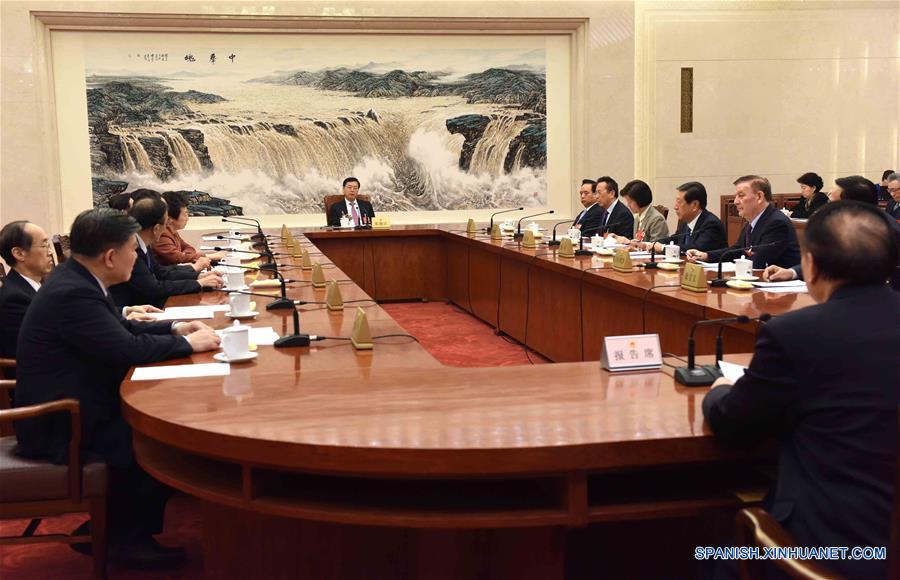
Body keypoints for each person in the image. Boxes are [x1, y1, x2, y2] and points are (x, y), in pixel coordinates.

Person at [14, 208, 221, 569]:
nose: (137, 258)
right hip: (60, 422)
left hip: (79, 402)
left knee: (162, 418)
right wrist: (189, 345)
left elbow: (119, 331)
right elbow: (126, 349)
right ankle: (125, 540)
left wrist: (176, 329)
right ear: (111, 257)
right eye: (132, 251)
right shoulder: (74, 292)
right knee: (158, 438)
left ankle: (116, 528)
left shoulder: (77, 278)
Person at [703, 201, 899, 579]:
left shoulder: (794, 334)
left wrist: (720, 389)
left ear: (810, 266)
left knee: (709, 556)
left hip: (831, 550)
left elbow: (734, 424)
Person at [765, 175, 900, 283]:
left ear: (850, 205)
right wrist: (792, 272)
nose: (826, 208)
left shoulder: (884, 231)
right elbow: (824, 258)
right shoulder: (846, 224)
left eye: (831, 202)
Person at [109, 197, 222, 309]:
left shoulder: (143, 244)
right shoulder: (132, 249)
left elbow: (162, 273)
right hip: (140, 310)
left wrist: (198, 276)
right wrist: (199, 283)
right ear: (156, 228)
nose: (167, 227)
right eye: (166, 223)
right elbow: (154, 288)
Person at [686, 175, 800, 269]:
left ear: (759, 196)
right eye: (736, 196)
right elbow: (736, 250)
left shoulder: (777, 223)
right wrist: (705, 256)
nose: (735, 201)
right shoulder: (752, 223)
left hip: (777, 287)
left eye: (741, 196)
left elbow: (758, 262)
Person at [0, 221, 54, 364]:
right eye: (43, 245)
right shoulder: (14, 298)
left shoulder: (41, 285)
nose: (50, 252)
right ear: (19, 253)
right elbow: (40, 349)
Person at [641, 181, 726, 254]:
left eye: (679, 202)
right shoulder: (686, 222)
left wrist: (663, 248)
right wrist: (648, 244)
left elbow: (696, 249)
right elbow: (672, 239)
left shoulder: (711, 224)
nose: (675, 207)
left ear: (694, 205)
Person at [155, 191, 227, 270]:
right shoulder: (162, 234)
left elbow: (188, 248)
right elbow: (177, 257)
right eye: (185, 214)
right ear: (170, 218)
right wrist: (210, 256)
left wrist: (185, 256)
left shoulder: (172, 230)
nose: (187, 218)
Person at [613, 179, 668, 243]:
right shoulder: (637, 218)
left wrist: (628, 242)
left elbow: (655, 246)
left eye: (630, 201)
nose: (628, 205)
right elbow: (637, 242)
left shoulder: (657, 219)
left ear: (639, 200)